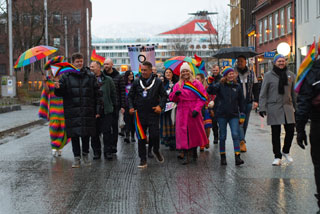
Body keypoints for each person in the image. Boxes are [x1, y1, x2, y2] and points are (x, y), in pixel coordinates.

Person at [54, 53, 100, 168]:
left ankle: (85, 154)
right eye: (77, 61)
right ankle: (76, 158)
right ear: (73, 63)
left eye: (81, 61)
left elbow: (97, 94)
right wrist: (57, 87)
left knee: (86, 135)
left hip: (87, 110)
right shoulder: (66, 76)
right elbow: (60, 93)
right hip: (72, 111)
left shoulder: (90, 76)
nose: (79, 63)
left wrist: (98, 110)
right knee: (74, 135)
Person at [128, 61, 167, 168]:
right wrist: (131, 107)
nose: (143, 72)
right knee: (141, 137)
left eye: (145, 70)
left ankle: (156, 150)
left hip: (153, 113)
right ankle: (143, 159)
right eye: (142, 70)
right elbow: (130, 96)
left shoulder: (158, 82)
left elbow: (164, 96)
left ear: (150, 70)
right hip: (140, 114)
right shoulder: (136, 82)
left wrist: (160, 106)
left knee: (154, 135)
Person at [259, 54, 296, 166]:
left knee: (290, 130)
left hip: (287, 106)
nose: (281, 63)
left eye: (283, 61)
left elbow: (294, 93)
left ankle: (285, 151)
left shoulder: (290, 75)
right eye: (279, 61)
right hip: (274, 107)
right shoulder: (268, 76)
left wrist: (297, 107)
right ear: (275, 62)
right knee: (276, 133)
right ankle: (277, 156)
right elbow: (263, 93)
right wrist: (262, 107)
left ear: (285, 62)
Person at [169, 63, 207, 165]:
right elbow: (172, 98)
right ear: (180, 73)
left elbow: (202, 97)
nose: (185, 73)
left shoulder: (196, 83)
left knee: (194, 132)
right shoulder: (178, 85)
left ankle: (194, 151)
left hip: (193, 110)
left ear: (190, 72)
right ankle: (186, 154)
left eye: (186, 71)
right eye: (183, 71)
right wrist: (175, 94)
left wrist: (197, 109)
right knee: (183, 132)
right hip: (182, 110)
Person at [207, 66, 245, 166]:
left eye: (232, 73)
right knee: (222, 136)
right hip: (222, 114)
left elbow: (241, 101)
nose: (231, 75)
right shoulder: (220, 85)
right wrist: (210, 83)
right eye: (229, 74)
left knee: (235, 135)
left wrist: (242, 114)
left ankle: (237, 157)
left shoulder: (237, 86)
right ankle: (223, 157)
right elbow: (210, 91)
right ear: (225, 76)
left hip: (233, 115)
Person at [295, 59, 320, 209]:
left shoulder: (311, 71)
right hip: (317, 122)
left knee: (319, 164)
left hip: (318, 123)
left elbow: (303, 102)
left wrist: (300, 129)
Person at [39, 70, 70, 157]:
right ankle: (54, 146)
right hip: (53, 108)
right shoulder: (48, 80)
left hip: (63, 107)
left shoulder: (64, 79)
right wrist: (44, 82)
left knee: (63, 128)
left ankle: (59, 147)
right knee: (53, 127)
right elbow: (47, 91)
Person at [90, 61, 116, 160]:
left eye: (93, 67)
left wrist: (113, 107)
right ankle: (96, 152)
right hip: (93, 111)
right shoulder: (89, 80)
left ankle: (107, 152)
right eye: (90, 67)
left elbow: (113, 94)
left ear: (98, 68)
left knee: (107, 132)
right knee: (94, 133)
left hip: (106, 110)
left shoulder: (108, 80)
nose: (91, 68)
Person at [235, 55, 259, 152]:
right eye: (238, 61)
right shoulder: (234, 73)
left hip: (248, 102)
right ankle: (241, 141)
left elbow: (256, 88)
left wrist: (256, 100)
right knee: (240, 123)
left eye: (241, 61)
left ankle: (242, 140)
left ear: (245, 62)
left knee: (245, 123)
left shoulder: (251, 74)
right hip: (236, 103)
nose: (240, 63)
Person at [103, 58, 126, 154]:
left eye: (107, 64)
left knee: (114, 127)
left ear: (112, 65)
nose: (106, 66)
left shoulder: (118, 77)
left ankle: (113, 145)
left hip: (115, 105)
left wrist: (123, 106)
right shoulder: (102, 76)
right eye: (104, 64)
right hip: (105, 106)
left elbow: (122, 92)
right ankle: (107, 146)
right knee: (106, 127)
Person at [160, 68, 178, 150]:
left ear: (172, 74)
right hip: (165, 107)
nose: (168, 74)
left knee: (174, 123)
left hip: (174, 107)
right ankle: (168, 140)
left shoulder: (176, 83)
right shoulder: (162, 84)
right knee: (166, 123)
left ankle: (174, 141)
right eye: (166, 72)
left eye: (169, 72)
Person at [195, 73, 212, 151]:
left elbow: (211, 97)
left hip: (206, 108)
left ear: (202, 79)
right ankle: (202, 142)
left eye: (198, 78)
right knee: (200, 126)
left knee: (207, 126)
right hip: (198, 109)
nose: (196, 80)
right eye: (196, 78)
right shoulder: (194, 88)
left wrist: (211, 108)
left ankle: (207, 139)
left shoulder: (207, 87)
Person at [209, 65, 222, 145]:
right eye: (214, 70)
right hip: (212, 102)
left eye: (216, 70)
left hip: (220, 102)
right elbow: (208, 90)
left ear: (219, 70)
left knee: (221, 121)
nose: (215, 71)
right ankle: (215, 136)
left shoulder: (222, 79)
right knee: (214, 122)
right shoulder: (210, 79)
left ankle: (221, 135)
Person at [123, 70, 136, 143]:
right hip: (126, 105)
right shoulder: (123, 84)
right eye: (129, 75)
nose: (131, 76)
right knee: (127, 121)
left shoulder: (134, 84)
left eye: (132, 75)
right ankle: (127, 135)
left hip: (133, 105)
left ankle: (133, 136)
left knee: (133, 121)